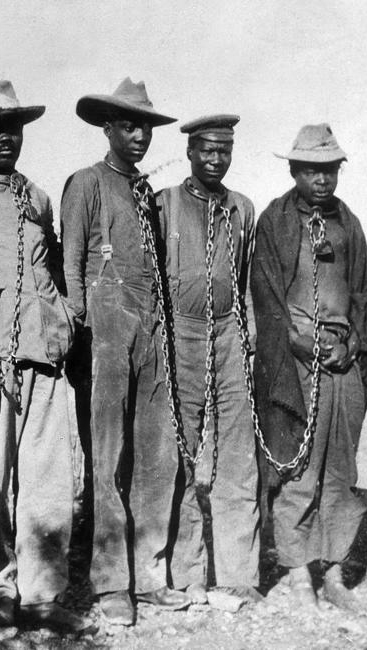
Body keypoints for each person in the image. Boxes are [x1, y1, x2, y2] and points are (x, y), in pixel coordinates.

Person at [0, 80, 88, 633]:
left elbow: (50, 264)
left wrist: (66, 321)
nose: (5, 139)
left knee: (48, 480)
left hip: (44, 354)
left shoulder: (39, 195)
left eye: (14, 129)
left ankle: (43, 595)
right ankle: (0, 589)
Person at [60, 78, 190, 626]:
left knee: (157, 457)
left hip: (151, 328)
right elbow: (71, 267)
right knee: (108, 459)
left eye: (145, 128)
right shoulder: (86, 183)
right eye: (128, 126)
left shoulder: (146, 193)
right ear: (107, 127)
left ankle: (151, 571)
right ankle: (111, 583)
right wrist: (80, 334)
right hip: (105, 328)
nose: (138, 136)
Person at [251, 124, 367, 611]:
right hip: (295, 364)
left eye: (330, 169)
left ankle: (333, 572)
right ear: (293, 170)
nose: (322, 179)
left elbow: (364, 292)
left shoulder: (348, 222)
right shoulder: (276, 221)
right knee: (298, 467)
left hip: (341, 362)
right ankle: (297, 576)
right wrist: (300, 343)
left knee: (340, 468)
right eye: (312, 169)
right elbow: (265, 297)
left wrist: (350, 344)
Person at [156, 115, 261, 605]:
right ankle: (186, 573)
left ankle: (239, 574)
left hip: (231, 334)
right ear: (191, 152)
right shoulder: (166, 205)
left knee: (236, 455)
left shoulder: (243, 209)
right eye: (207, 150)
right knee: (181, 453)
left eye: (225, 150)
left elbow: (244, 280)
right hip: (181, 334)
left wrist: (247, 336)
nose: (216, 159)